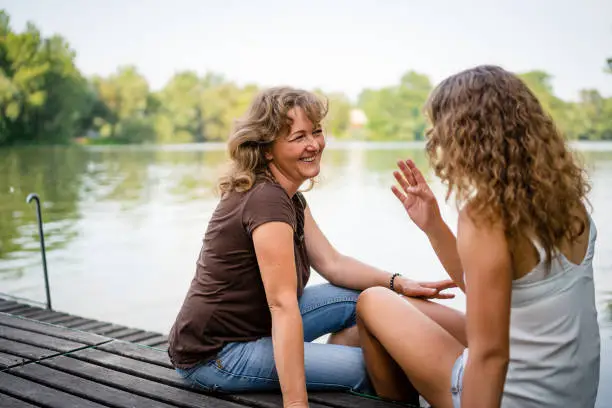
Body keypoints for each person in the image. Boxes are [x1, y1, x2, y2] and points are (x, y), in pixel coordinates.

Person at [167, 86, 456, 408]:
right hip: (217, 355)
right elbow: (282, 305)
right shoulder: (267, 201)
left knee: (366, 300)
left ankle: (448, 357)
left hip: (252, 326)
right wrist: (296, 403)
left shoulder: (289, 197)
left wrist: (399, 283)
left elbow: (333, 263)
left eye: (316, 132)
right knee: (373, 367)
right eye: (298, 137)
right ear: (267, 149)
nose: (314, 145)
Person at [356, 65, 600, 408]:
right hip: (568, 394)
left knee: (372, 300)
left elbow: (490, 356)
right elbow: (487, 287)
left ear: (465, 136)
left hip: (512, 397)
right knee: (406, 310)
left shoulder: (486, 216)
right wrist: (433, 225)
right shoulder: (569, 202)